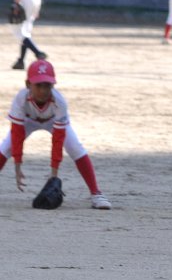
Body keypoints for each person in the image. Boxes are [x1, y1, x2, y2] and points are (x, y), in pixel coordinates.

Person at [0, 60, 111, 209]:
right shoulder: (21, 99)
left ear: (53, 85)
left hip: (53, 121)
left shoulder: (59, 102)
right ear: (28, 84)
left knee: (76, 148)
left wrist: (54, 174)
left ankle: (96, 193)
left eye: (47, 85)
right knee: (6, 147)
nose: (43, 90)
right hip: (28, 121)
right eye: (38, 85)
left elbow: (57, 140)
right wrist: (17, 166)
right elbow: (17, 134)